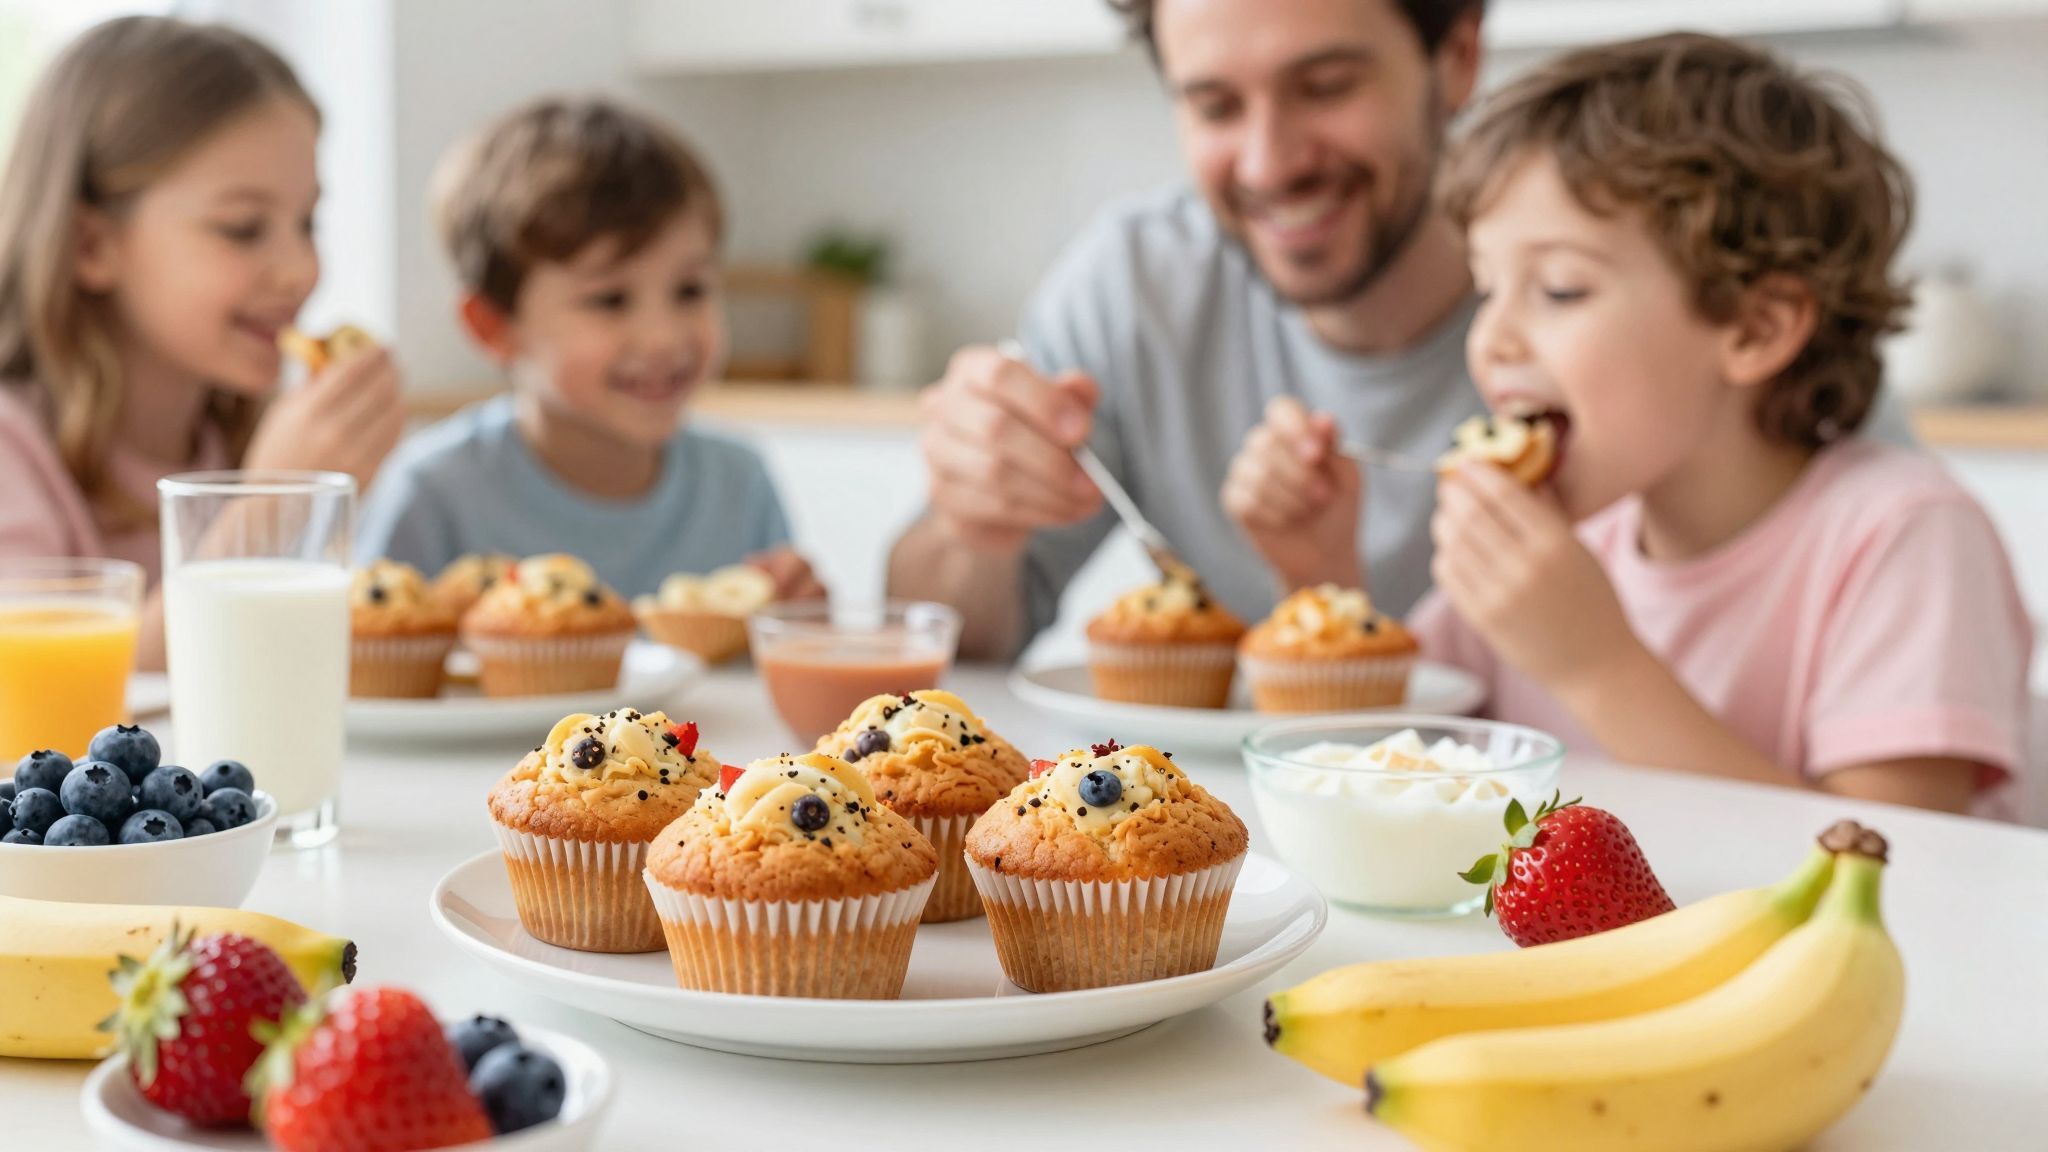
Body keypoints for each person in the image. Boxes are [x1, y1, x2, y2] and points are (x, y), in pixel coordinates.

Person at [1325, 35, 2025, 814]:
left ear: (1754, 329)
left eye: (1559, 290)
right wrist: (1319, 572)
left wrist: (1595, 665)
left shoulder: (1905, 534)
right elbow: (1384, 758)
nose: (1490, 340)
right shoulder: (1566, 542)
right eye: (1487, 288)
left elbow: (1896, 866)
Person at [890, 0, 1492, 659]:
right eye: (1216, 107)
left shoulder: (1585, 298)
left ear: (1458, 59)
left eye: (1327, 87)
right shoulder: (1136, 284)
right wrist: (968, 523)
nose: (1268, 164)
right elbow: (941, 642)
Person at [0, 16, 404, 670]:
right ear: (91, 245)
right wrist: (273, 507)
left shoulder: (240, 436)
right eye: (243, 229)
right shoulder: (13, 453)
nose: (302, 269)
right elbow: (60, 689)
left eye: (307, 222)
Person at [355, 97, 823, 602]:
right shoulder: (432, 494)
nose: (663, 337)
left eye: (690, 290)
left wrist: (797, 619)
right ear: (494, 326)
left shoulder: (740, 482)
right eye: (610, 300)